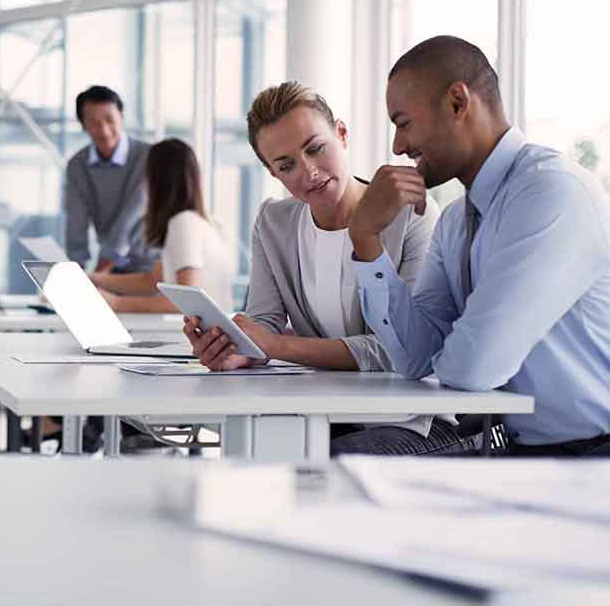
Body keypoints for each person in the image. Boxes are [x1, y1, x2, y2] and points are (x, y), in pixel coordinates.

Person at [345, 35, 610, 457]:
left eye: (403, 122)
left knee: (353, 469)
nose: (397, 146)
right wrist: (365, 239)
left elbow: (473, 368)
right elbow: (415, 359)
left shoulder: (551, 193)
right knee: (343, 466)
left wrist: (448, 353)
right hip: (526, 455)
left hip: (593, 460)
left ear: (456, 102)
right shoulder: (455, 221)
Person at [184, 81, 472, 456]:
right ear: (273, 173)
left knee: (311, 466)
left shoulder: (411, 215)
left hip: (414, 421)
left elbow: (401, 349)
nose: (309, 172)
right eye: (286, 165)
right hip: (329, 415)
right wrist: (239, 348)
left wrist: (278, 346)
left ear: (341, 134)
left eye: (316, 149)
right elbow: (263, 322)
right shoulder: (274, 222)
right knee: (254, 454)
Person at [91, 138, 232, 313]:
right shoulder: (202, 222)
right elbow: (152, 280)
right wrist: (95, 279)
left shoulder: (183, 224)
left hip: (199, 336)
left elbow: (187, 303)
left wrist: (116, 303)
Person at [64, 85, 157, 273]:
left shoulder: (149, 157)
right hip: (112, 266)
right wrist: (73, 273)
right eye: (94, 123)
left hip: (152, 265)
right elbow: (76, 220)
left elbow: (131, 215)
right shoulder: (77, 165)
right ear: (83, 125)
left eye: (109, 120)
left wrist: (99, 273)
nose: (104, 131)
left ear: (121, 118)